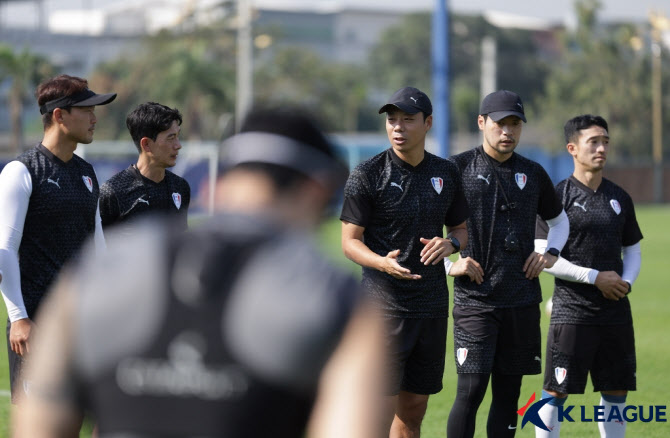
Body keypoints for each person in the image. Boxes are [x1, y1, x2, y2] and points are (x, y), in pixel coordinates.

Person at [15, 107, 387, 438]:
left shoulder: (93, 275)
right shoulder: (334, 298)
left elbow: (40, 421)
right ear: (316, 190)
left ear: (218, 184)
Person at [341, 86, 469, 437]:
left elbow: (461, 228)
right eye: (392, 120)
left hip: (430, 307)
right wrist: (381, 262)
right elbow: (349, 243)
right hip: (382, 309)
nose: (397, 127)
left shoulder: (447, 172)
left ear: (427, 123)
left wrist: (452, 243)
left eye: (407, 120)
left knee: (413, 412)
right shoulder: (367, 173)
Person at [444, 90, 569, 438]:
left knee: (509, 395)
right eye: (500, 124)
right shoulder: (456, 168)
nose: (507, 132)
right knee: (470, 392)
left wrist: (550, 254)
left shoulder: (533, 172)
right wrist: (450, 265)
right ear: (482, 123)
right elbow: (421, 231)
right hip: (475, 303)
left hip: (522, 301)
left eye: (515, 124)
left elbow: (559, 222)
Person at [0, 74, 115, 428]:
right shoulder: (22, 171)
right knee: (43, 427)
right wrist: (18, 317)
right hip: (35, 327)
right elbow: (4, 249)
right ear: (60, 116)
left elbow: (98, 246)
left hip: (80, 321)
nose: (95, 117)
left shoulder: (86, 172)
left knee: (83, 421)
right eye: (87, 110)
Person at [534, 115, 642, 438]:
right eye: (593, 142)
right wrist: (596, 278)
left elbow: (633, 249)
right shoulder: (557, 198)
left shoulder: (620, 197)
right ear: (572, 148)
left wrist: (626, 284)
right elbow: (544, 257)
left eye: (605, 141)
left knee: (616, 391)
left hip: (615, 311)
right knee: (556, 392)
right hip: (571, 312)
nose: (601, 148)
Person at [99, 102, 190, 233]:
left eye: (177, 136)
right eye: (171, 138)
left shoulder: (180, 187)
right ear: (146, 144)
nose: (178, 145)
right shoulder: (113, 191)